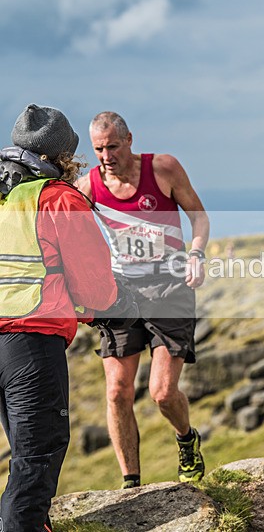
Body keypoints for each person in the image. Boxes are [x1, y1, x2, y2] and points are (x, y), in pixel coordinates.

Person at [0, 104, 121, 530]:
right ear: (62, 155)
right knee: (36, 455)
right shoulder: (57, 197)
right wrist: (97, 309)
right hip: (30, 344)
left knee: (21, 449)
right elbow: (96, 286)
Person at [75, 111, 210, 489]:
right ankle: (131, 483)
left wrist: (196, 253)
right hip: (121, 293)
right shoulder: (87, 186)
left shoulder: (164, 168)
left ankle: (186, 439)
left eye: (112, 146)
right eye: (99, 149)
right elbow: (72, 238)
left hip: (169, 287)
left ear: (130, 139)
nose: (106, 156)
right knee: (117, 390)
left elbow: (199, 217)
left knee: (162, 392)